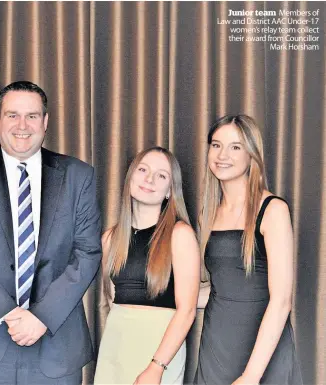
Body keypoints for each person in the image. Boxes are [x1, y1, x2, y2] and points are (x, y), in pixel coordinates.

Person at [0, 80, 102, 385]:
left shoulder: (78, 176)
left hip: (56, 342)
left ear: (45, 121)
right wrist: (8, 313)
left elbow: (87, 252)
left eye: (32, 116)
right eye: (12, 115)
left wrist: (42, 316)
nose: (22, 125)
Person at [194, 115, 303, 385]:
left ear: (251, 154)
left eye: (235, 147)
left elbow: (281, 301)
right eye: (216, 145)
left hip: (262, 351)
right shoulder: (208, 215)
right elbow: (222, 287)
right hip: (216, 347)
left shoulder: (273, 210)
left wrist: (250, 376)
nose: (222, 155)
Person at [94, 147, 200, 385]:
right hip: (115, 347)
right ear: (130, 176)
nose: (149, 179)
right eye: (143, 170)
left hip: (158, 351)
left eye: (161, 175)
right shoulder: (110, 239)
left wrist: (157, 367)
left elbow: (187, 311)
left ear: (169, 191)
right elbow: (112, 300)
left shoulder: (179, 234)